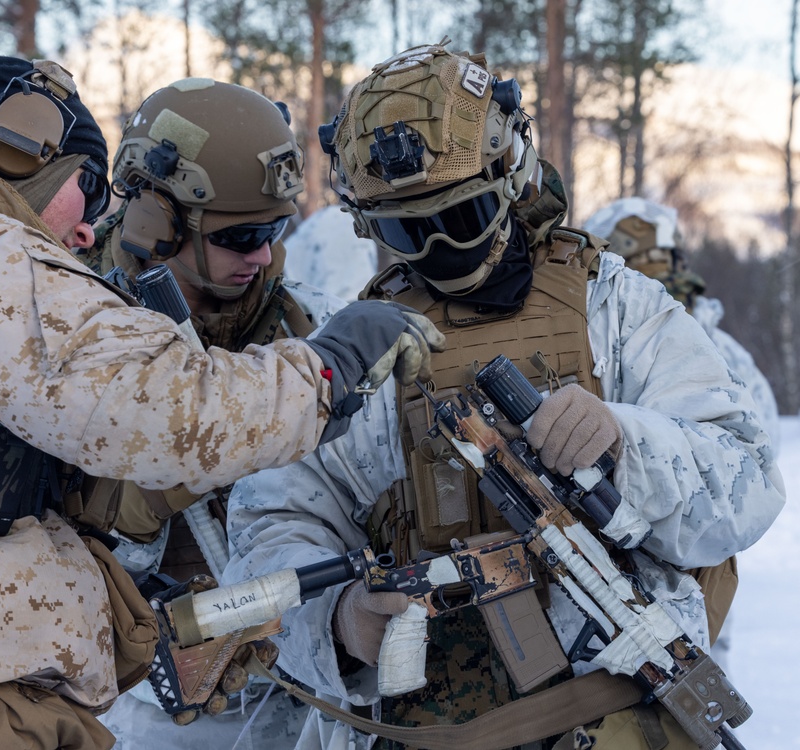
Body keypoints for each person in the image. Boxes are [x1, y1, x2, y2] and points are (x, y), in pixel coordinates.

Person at [0, 55, 444, 749]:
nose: (83, 231)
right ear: (18, 157)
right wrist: (328, 366)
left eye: (273, 232)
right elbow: (170, 412)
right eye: (238, 235)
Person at [223, 40, 784, 750]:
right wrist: (336, 620)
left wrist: (626, 442)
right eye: (405, 232)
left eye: (456, 221)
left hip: (617, 705)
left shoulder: (616, 311)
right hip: (425, 723)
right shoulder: (359, 349)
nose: (433, 254)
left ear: (509, 177)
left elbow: (748, 484)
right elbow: (270, 523)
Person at [80, 78, 345, 747]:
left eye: (275, 231)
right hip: (131, 691)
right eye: (243, 235)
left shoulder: (294, 322)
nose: (261, 255)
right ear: (156, 220)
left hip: (292, 674)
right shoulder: (71, 319)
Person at [583, 197, 780, 457]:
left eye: (660, 259)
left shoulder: (728, 354)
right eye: (643, 261)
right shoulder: (728, 352)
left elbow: (758, 460)